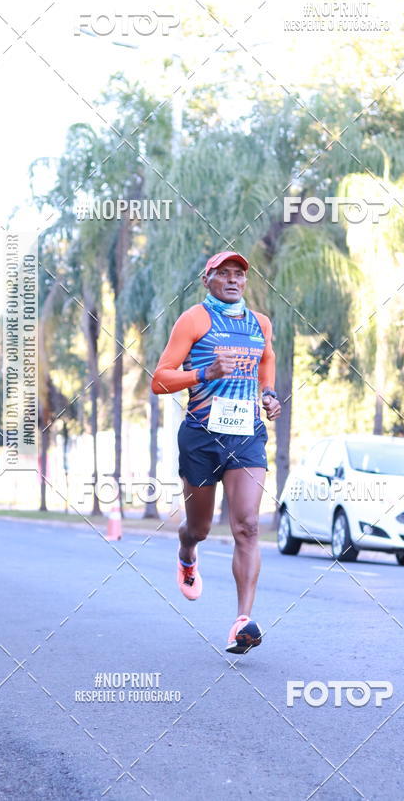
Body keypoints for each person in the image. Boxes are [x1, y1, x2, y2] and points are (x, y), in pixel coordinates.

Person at [151, 250, 281, 653]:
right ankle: (187, 551)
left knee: (247, 526)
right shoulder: (194, 319)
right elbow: (159, 380)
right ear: (206, 279)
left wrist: (270, 395)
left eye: (239, 274)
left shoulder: (260, 324)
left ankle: (242, 622)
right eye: (222, 274)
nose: (232, 280)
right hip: (201, 436)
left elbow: (267, 361)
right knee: (201, 528)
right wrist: (204, 372)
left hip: (247, 435)